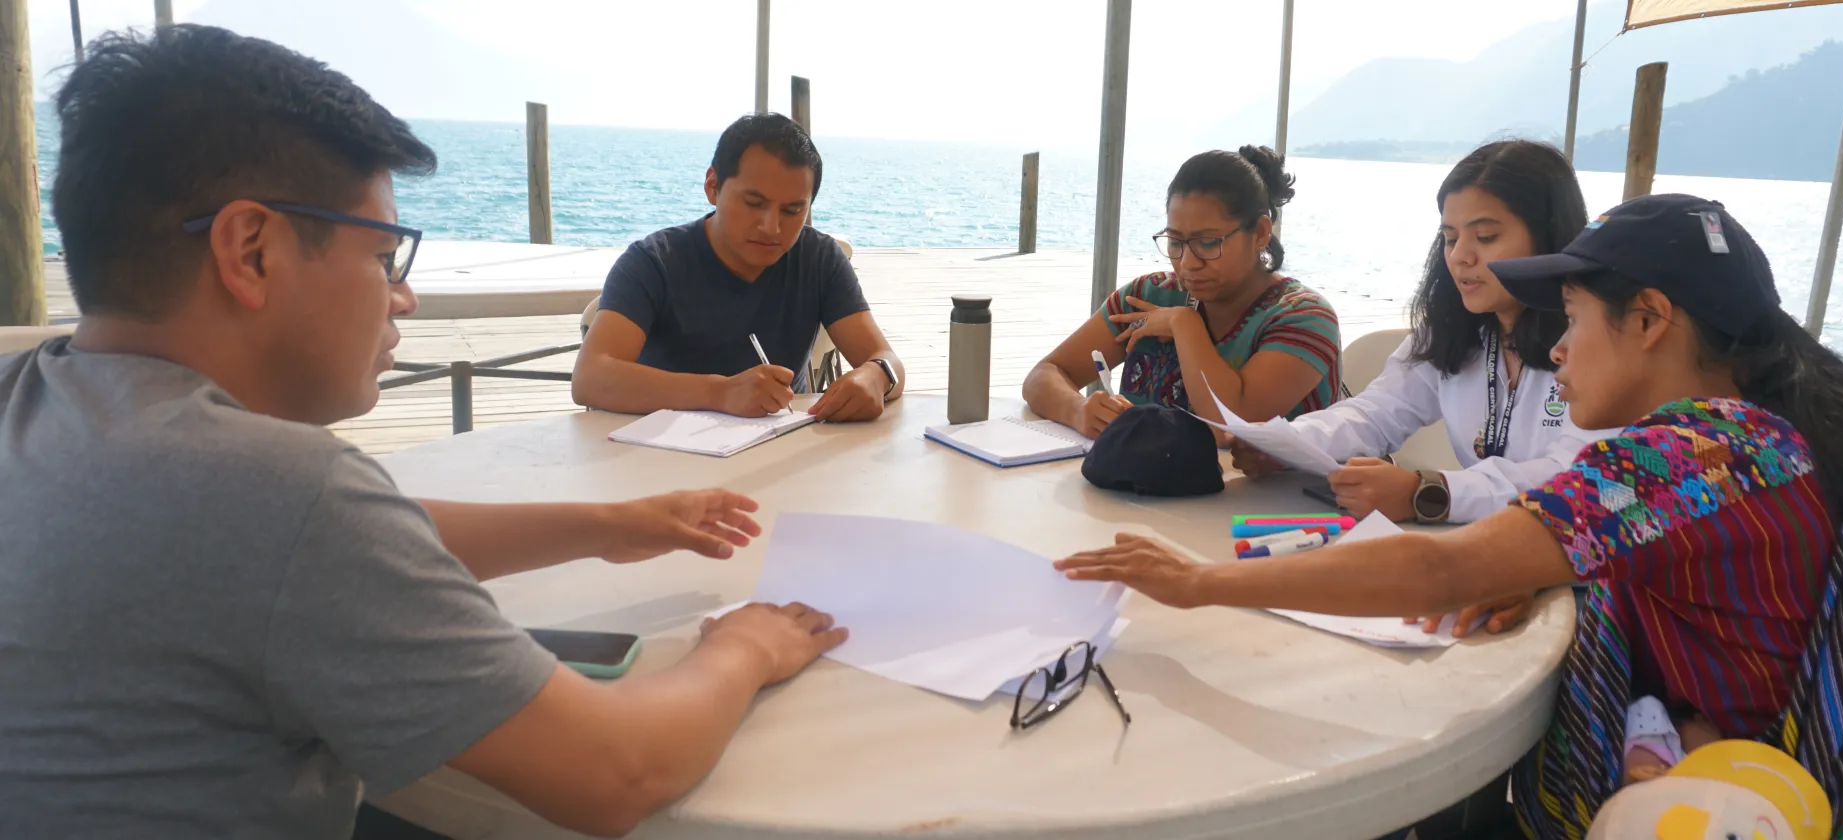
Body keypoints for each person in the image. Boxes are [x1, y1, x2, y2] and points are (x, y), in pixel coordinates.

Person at [0, 27, 845, 840]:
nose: (402, 298)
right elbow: (616, 773)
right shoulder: (289, 494)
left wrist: (608, 525)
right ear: (250, 250)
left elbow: (325, 546)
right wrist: (748, 646)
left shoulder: (31, 401)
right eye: (384, 258)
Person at [1055, 193, 1843, 838]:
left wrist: (1202, 583)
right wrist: (1546, 565)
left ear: (1651, 319)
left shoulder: (1689, 452)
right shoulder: (1788, 430)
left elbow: (1440, 572)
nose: (1559, 348)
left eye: (1575, 319)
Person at [1234, 140, 1615, 638]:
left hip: (1577, 591)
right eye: (1450, 237)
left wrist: (1427, 493)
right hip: (1488, 563)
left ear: (1547, 239)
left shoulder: (1593, 347)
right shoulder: (1454, 333)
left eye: (1486, 235)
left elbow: (1574, 480)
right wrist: (1284, 442)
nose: (1461, 257)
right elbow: (1375, 413)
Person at [571, 113, 905, 422]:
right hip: (663, 453)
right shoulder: (653, 262)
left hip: (785, 451)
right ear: (712, 186)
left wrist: (877, 375)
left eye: (791, 211)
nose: (771, 227)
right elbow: (590, 377)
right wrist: (720, 393)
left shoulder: (819, 258)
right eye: (753, 203)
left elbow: (885, 358)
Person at [1022, 146, 1342, 438]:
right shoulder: (1150, 294)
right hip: (1139, 495)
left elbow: (1234, 422)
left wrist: (1184, 324)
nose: (1187, 264)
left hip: (1270, 501)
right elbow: (1044, 375)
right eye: (1175, 242)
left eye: (1208, 243)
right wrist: (1077, 410)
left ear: (1259, 233)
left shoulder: (1304, 318)